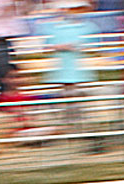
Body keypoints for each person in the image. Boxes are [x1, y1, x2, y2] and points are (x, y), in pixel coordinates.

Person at [41, 0, 96, 131]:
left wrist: (74, 47)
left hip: (77, 67)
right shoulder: (55, 27)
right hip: (63, 67)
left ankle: (77, 123)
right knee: (67, 95)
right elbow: (46, 46)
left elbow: (92, 45)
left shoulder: (86, 27)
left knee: (75, 95)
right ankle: (70, 124)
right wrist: (59, 47)